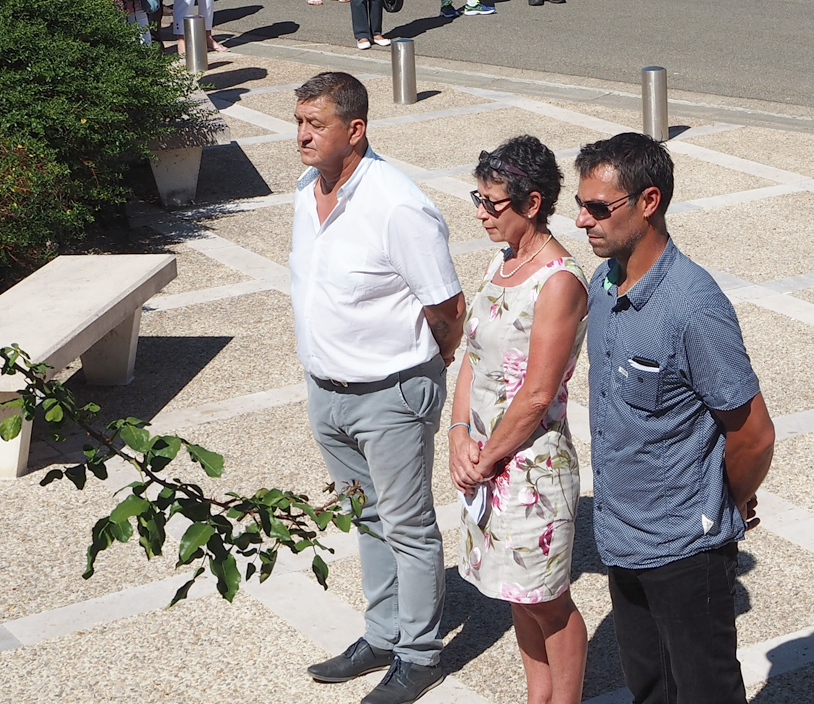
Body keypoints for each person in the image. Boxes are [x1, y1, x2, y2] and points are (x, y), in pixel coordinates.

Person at [572, 133, 774, 704]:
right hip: (620, 537)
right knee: (651, 689)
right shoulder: (603, 284)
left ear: (649, 201)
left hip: (686, 549)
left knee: (704, 690)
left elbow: (753, 435)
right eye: (581, 205)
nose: (583, 220)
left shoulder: (693, 306)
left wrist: (725, 501)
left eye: (598, 208)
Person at [289, 72, 464, 704]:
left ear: (355, 130)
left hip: (391, 394)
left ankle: (418, 654)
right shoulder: (309, 188)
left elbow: (448, 305)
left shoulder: (397, 204)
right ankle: (382, 633)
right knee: (365, 518)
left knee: (408, 525)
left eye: (316, 124)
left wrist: (428, 366)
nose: (302, 136)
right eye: (299, 122)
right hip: (327, 391)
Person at [448, 136, 590, 704]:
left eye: (492, 203)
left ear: (532, 204)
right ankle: (539, 696)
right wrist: (458, 434)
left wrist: (486, 456)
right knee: (516, 593)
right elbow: (472, 356)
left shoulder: (559, 280)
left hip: (530, 468)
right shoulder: (502, 260)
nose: (481, 213)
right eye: (477, 199)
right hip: (486, 459)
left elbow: (536, 395)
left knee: (548, 601)